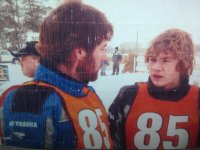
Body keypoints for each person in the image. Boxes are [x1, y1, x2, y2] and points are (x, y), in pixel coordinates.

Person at [0, 1, 113, 149]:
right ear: (80, 52)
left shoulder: (86, 91)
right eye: (103, 48)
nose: (106, 57)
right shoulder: (32, 98)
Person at [108, 28, 200, 149]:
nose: (156, 67)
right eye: (152, 59)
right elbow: (109, 142)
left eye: (166, 60)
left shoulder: (197, 99)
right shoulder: (129, 95)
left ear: (184, 64)